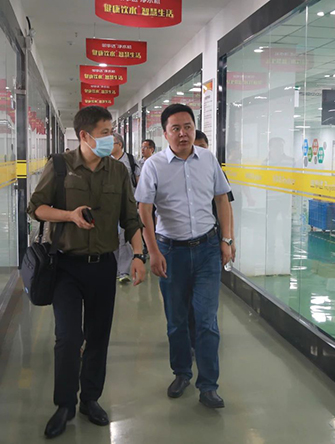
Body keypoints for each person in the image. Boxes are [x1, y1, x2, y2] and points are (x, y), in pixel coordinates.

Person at [27, 106, 147, 439]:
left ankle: (90, 400)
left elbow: (131, 218)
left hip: (103, 266)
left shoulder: (118, 171)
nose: (111, 138)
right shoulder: (60, 165)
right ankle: (64, 404)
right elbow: (36, 208)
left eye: (111, 131)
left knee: (98, 336)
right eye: (105, 132)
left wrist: (139, 255)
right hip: (65, 266)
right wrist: (69, 215)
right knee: (68, 337)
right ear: (85, 135)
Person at [135, 104, 233, 409]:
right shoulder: (153, 166)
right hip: (171, 252)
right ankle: (181, 373)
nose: (183, 133)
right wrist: (152, 252)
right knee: (177, 321)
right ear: (165, 134)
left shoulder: (208, 159)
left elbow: (222, 199)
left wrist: (227, 240)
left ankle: (209, 386)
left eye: (188, 127)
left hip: (207, 250)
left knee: (207, 321)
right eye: (175, 128)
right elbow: (144, 211)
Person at [190, 130, 236, 350]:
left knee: (207, 295)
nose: (200, 150)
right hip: (187, 241)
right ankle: (192, 336)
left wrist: (229, 239)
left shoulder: (213, 168)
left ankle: (206, 336)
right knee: (188, 295)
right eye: (196, 146)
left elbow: (226, 206)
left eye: (203, 146)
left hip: (213, 238)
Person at [112, 132, 141, 283]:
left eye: (111, 143)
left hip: (128, 204)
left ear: (120, 144)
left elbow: (138, 180)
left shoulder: (130, 160)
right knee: (112, 236)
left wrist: (139, 201)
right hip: (110, 205)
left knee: (125, 237)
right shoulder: (104, 160)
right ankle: (113, 267)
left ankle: (123, 271)